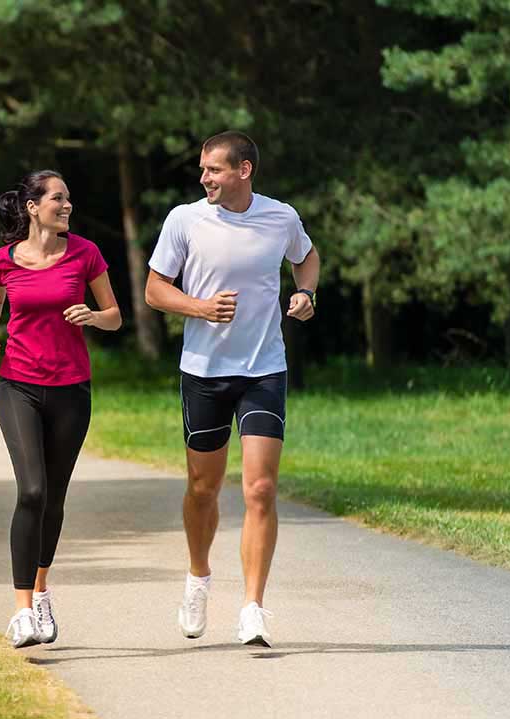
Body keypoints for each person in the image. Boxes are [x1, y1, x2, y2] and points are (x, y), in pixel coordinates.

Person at [144, 131, 320, 647]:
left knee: (261, 488)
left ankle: (253, 607)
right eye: (203, 170)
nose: (204, 178)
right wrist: (199, 307)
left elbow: (306, 256)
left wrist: (305, 291)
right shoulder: (184, 220)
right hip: (204, 370)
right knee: (204, 488)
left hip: (264, 368)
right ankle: (198, 578)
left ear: (244, 170)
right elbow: (155, 290)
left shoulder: (280, 217)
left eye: (214, 170)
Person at [0, 170, 122, 648]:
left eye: (69, 198)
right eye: (59, 198)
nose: (67, 206)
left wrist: (93, 316)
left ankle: (41, 591)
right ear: (33, 207)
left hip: (71, 390)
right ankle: (21, 612)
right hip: (17, 385)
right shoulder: (3, 260)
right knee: (32, 491)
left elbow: (115, 315)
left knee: (54, 497)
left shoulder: (85, 253)